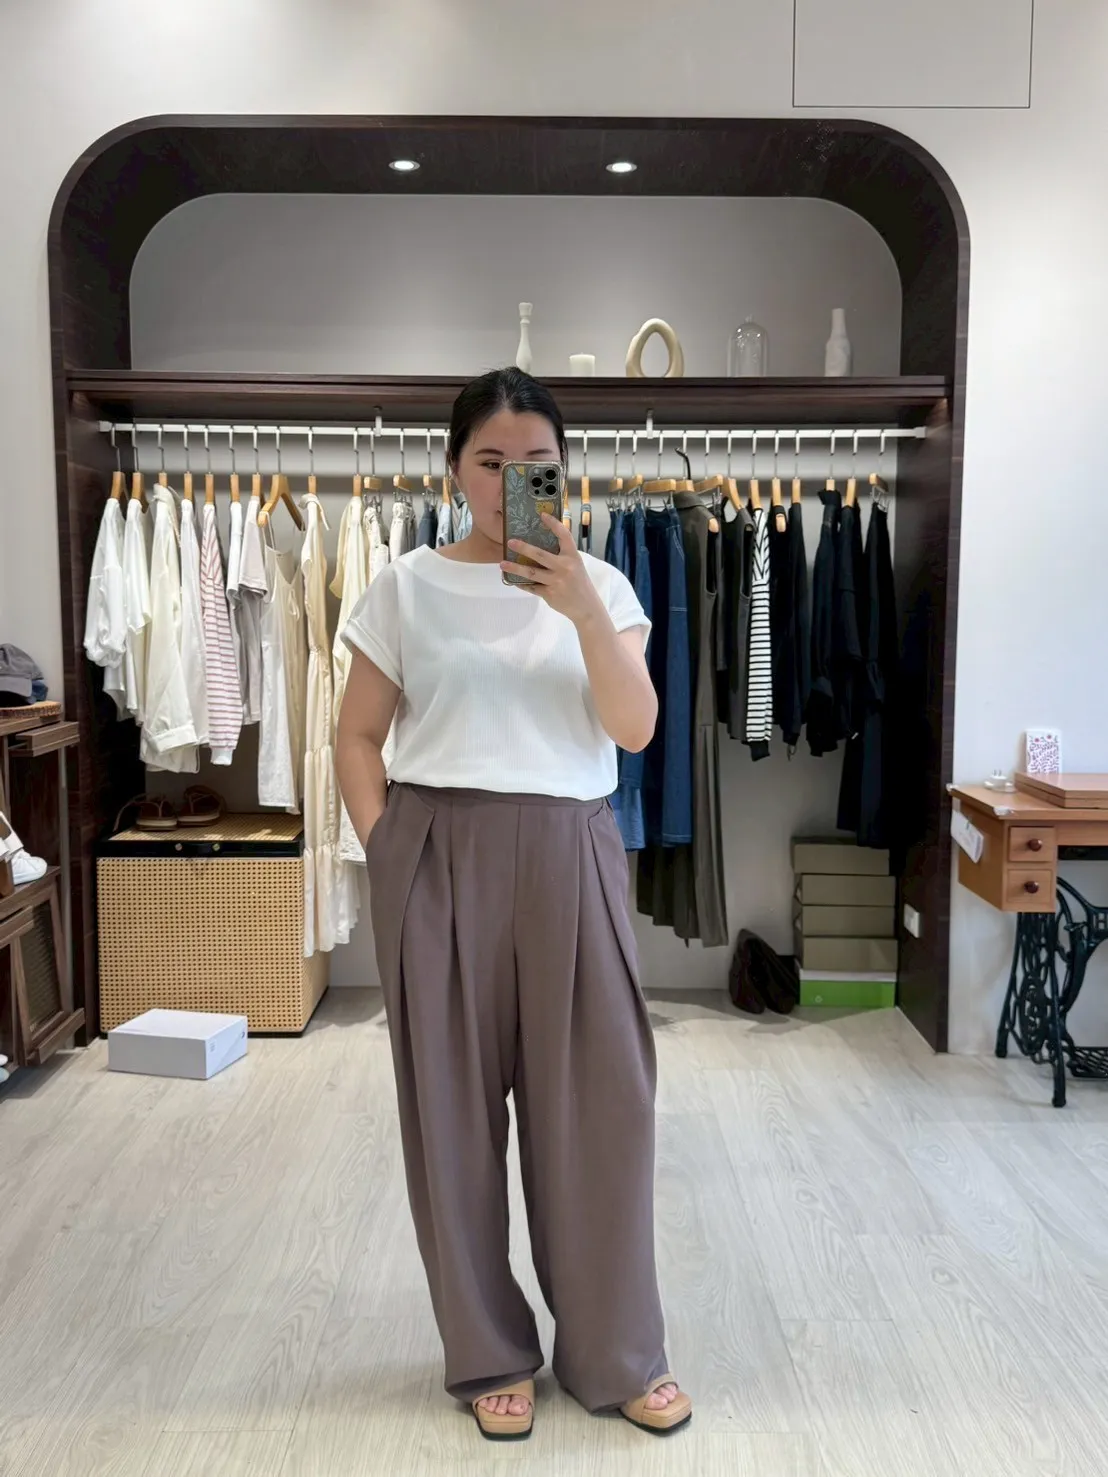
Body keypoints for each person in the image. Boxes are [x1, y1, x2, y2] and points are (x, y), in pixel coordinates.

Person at [336, 368, 692, 1442]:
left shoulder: (605, 588)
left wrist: (578, 606)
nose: (509, 483)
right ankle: (489, 1348)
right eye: (489, 462)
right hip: (437, 852)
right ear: (454, 468)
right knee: (450, 1120)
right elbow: (357, 735)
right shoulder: (403, 587)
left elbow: (634, 729)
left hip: (570, 851)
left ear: (562, 475)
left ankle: (617, 1350)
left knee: (604, 1111)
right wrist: (389, 849)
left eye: (535, 465)